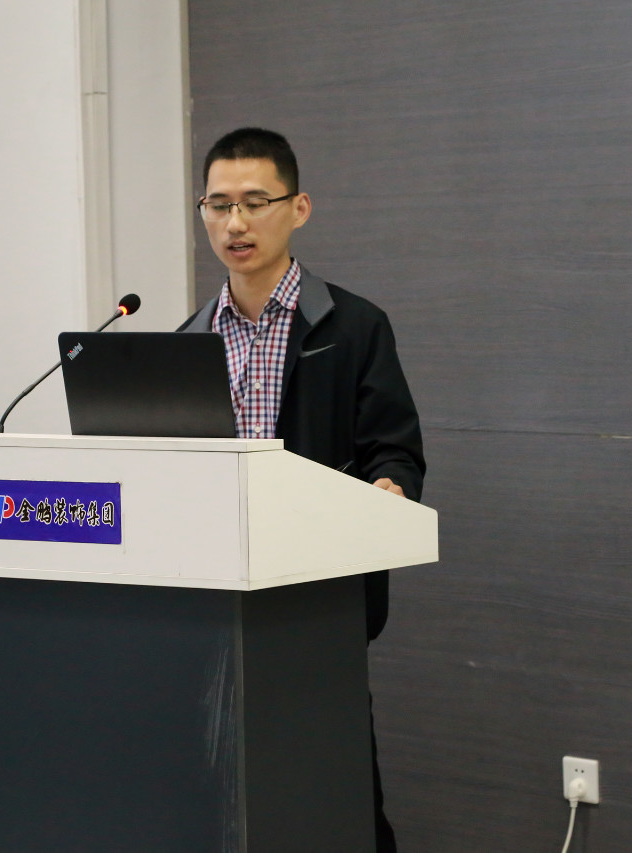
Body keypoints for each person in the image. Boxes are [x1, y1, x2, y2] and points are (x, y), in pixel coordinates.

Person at [179, 127, 425, 853]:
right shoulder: (188, 339)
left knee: (338, 799)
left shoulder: (353, 326)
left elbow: (394, 447)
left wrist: (388, 489)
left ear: (299, 208)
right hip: (213, 607)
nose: (236, 223)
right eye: (219, 204)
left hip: (318, 600)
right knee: (222, 804)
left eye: (256, 202)